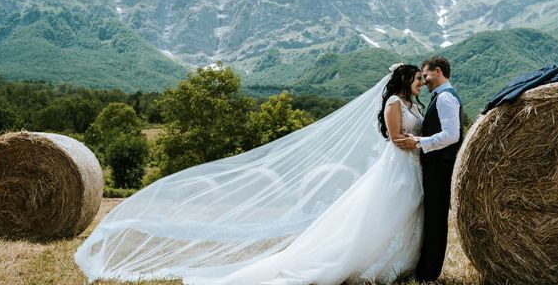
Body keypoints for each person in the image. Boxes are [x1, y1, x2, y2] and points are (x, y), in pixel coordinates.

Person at [76, 65, 427, 284]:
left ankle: (395, 261)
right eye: (416, 79)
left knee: (401, 215)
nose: (420, 84)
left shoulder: (412, 104)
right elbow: (396, 139)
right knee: (383, 213)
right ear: (403, 80)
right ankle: (364, 262)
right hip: (397, 166)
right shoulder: (394, 104)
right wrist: (425, 144)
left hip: (410, 168)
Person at [394, 56, 465, 283]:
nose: (424, 81)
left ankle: (428, 273)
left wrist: (419, 142)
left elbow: (452, 135)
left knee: (435, 219)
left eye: (425, 75)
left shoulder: (445, 98)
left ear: (437, 71)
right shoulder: (442, 97)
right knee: (432, 218)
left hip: (440, 166)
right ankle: (425, 268)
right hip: (436, 164)